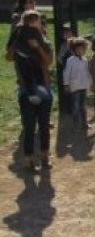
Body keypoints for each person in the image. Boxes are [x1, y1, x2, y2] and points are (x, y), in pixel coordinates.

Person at [8, 10, 54, 171]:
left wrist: (38, 47)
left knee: (43, 125)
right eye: (35, 22)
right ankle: (28, 159)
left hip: (44, 87)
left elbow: (48, 61)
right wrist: (16, 39)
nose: (38, 25)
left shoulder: (45, 42)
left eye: (39, 23)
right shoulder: (20, 39)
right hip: (25, 89)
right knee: (28, 125)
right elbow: (9, 56)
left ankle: (45, 156)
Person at [63, 37, 93, 130]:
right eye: (78, 49)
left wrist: (91, 83)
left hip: (83, 86)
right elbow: (66, 73)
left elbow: (87, 72)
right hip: (74, 87)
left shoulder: (84, 60)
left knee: (83, 106)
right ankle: (76, 123)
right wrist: (66, 84)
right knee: (75, 106)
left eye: (82, 49)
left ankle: (85, 123)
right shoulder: (70, 60)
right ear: (74, 49)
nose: (80, 51)